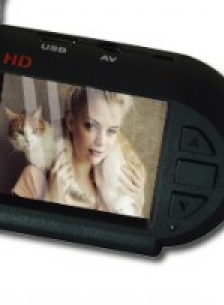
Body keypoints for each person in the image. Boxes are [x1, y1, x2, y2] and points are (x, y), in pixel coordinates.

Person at [11, 86, 145, 213]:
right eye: (91, 126)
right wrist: (51, 199)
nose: (101, 142)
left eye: (111, 131)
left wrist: (138, 205)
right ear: (71, 122)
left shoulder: (119, 189)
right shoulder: (34, 178)